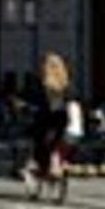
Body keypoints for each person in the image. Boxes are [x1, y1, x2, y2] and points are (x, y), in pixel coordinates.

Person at [24, 52, 74, 184]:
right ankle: (58, 163)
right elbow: (70, 100)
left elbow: (35, 102)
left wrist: (25, 107)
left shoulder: (42, 85)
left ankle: (39, 164)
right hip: (62, 119)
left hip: (46, 118)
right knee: (58, 139)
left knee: (37, 137)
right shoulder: (65, 84)